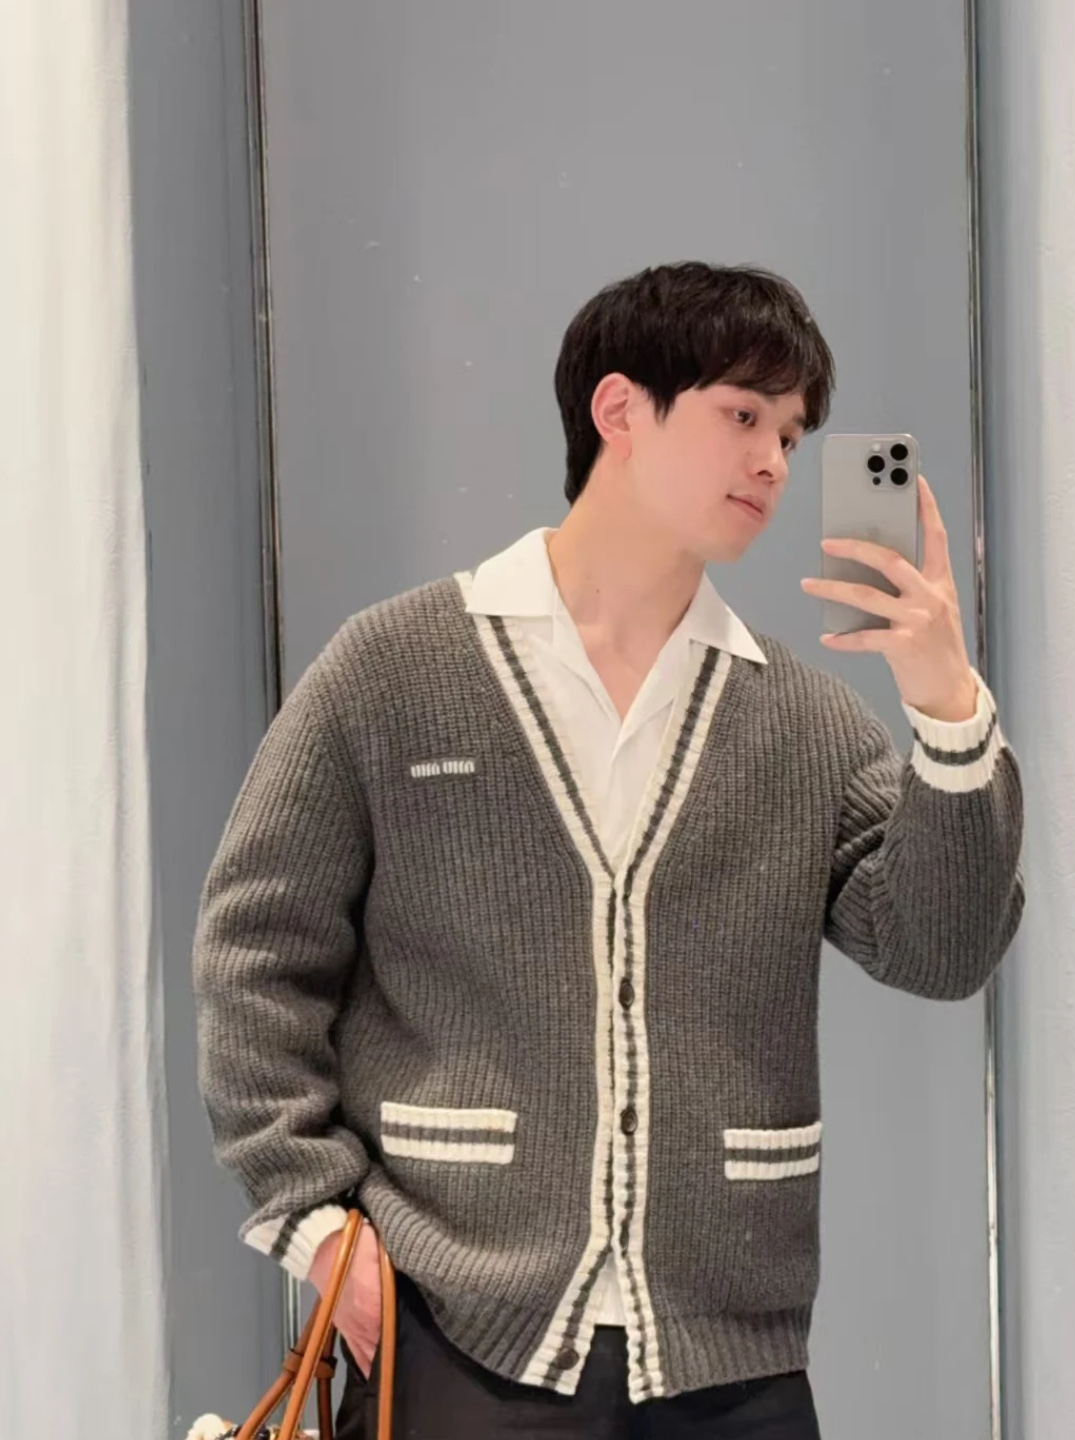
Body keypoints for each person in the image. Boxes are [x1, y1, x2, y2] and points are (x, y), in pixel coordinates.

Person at [192, 261, 1025, 1439]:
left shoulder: (796, 720)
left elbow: (940, 949)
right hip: (458, 1327)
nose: (773, 463)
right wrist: (316, 1223)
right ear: (619, 410)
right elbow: (254, 952)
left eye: (791, 435)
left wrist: (943, 705)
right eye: (742, 415)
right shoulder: (394, 670)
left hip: (726, 1357)